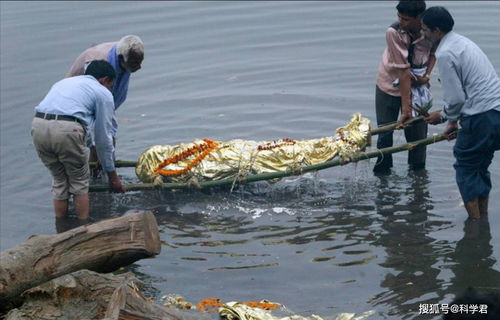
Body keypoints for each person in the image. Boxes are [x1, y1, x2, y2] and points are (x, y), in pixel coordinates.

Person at [422, 6, 500, 220]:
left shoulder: (445, 53)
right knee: (480, 165)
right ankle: (482, 219)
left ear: (437, 31)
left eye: (425, 30)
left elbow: (456, 99)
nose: (424, 35)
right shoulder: (463, 42)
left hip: (481, 116)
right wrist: (453, 122)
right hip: (496, 112)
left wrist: (444, 116)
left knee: (465, 167)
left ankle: (475, 226)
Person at [32, 60, 125, 221]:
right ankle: (83, 232)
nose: (110, 89)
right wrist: (113, 177)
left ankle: (61, 231)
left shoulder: (64, 82)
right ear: (104, 80)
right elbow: (103, 138)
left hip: (38, 126)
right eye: (110, 85)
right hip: (67, 129)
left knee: (60, 181)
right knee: (79, 183)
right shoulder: (102, 92)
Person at [374, 0, 436, 174]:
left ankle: (418, 178)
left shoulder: (431, 30)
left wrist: (427, 76)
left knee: (418, 138)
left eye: (406, 19)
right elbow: (402, 72)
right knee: (385, 136)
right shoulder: (394, 32)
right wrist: (406, 108)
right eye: (399, 17)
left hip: (418, 88)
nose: (401, 22)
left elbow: (433, 54)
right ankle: (382, 175)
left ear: (419, 19)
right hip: (389, 87)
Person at [67, 35, 144, 174]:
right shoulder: (99, 63)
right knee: (94, 144)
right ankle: (94, 174)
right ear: (121, 59)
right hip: (79, 105)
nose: (139, 67)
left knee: (107, 139)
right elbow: (94, 107)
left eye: (140, 62)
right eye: (134, 63)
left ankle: (105, 169)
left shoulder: (126, 51)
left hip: (103, 100)